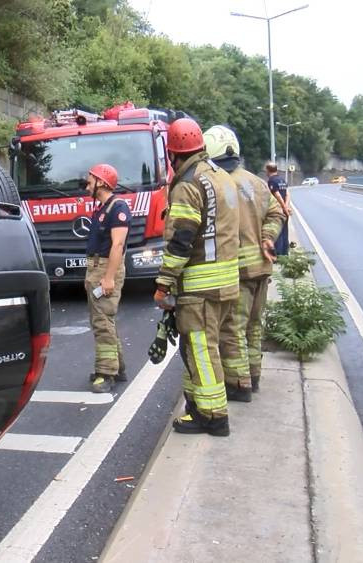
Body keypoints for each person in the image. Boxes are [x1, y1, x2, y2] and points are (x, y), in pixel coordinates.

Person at [154, 118, 240, 437]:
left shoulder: (189, 183)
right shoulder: (219, 176)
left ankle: (213, 416)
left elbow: (182, 239)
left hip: (200, 286)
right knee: (197, 348)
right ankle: (197, 406)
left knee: (202, 351)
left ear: (173, 154)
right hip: (226, 282)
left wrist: (164, 282)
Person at [204, 126, 285, 400]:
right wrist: (267, 238)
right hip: (262, 267)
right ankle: (254, 375)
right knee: (253, 326)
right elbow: (277, 214)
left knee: (232, 329)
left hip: (237, 270)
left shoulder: (219, 184)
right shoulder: (257, 182)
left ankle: (239, 385)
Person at [83, 164, 131, 393]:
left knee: (102, 322)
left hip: (105, 269)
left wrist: (109, 278)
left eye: (90, 180)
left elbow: (118, 244)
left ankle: (106, 373)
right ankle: (117, 367)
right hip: (96, 268)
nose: (87, 185)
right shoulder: (102, 208)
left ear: (101, 182)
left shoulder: (117, 207)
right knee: (103, 320)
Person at [266, 162, 291, 256]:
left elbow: (277, 195)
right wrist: (287, 207)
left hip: (277, 210)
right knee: (285, 231)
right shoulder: (282, 180)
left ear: (268, 170)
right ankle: (285, 252)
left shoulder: (271, 181)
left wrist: (283, 208)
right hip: (285, 210)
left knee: (277, 232)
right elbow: (288, 194)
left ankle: (278, 254)